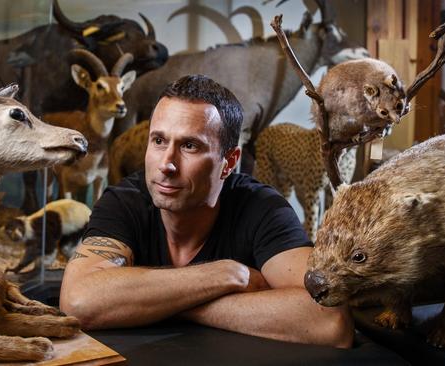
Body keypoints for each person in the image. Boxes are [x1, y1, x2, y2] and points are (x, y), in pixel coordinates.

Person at [60, 75, 353, 348]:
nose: (166, 164)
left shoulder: (262, 208)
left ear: (229, 162)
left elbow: (329, 320)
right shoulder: (125, 201)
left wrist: (166, 303)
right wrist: (228, 275)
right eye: (159, 141)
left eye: (190, 146)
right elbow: (79, 300)